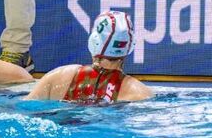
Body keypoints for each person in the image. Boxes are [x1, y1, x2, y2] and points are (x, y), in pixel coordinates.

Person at [25, 11, 153, 103]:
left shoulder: (57, 78)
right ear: (130, 46)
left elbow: (25, 109)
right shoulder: (138, 93)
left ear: (93, 41)